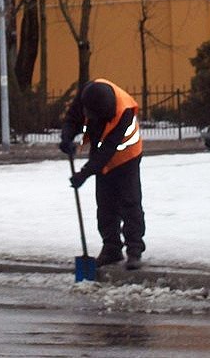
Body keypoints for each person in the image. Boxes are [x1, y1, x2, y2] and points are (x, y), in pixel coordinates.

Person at [59, 78, 145, 271]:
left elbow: (107, 150)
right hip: (102, 154)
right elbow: (72, 119)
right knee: (105, 204)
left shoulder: (123, 111)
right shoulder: (88, 95)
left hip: (127, 156)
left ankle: (134, 250)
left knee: (129, 203)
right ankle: (112, 248)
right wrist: (66, 138)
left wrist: (84, 173)